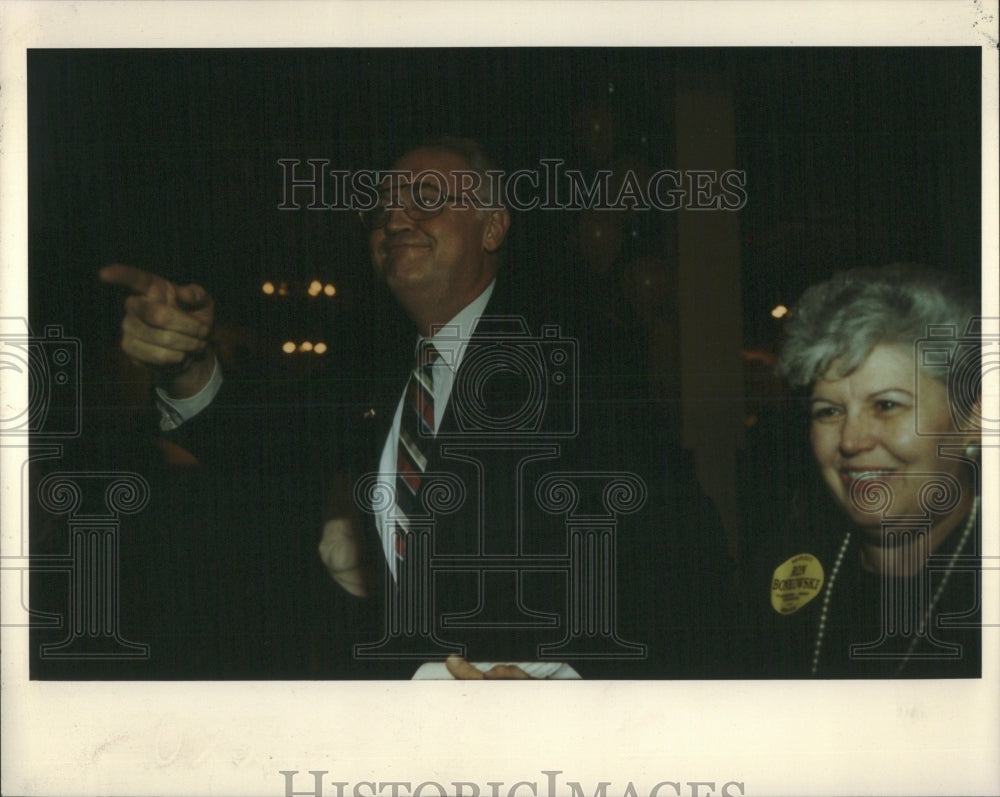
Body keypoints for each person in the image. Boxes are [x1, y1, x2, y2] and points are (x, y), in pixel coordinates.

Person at [100, 137, 736, 679]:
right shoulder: (374, 376)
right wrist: (185, 361)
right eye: (381, 212)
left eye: (427, 201)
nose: (395, 220)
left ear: (493, 226)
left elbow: (686, 557)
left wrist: (566, 684)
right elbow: (260, 446)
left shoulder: (580, 368)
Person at [749, 264, 982, 677]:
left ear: (972, 420)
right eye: (829, 411)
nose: (851, 440)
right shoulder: (781, 571)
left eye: (886, 405)